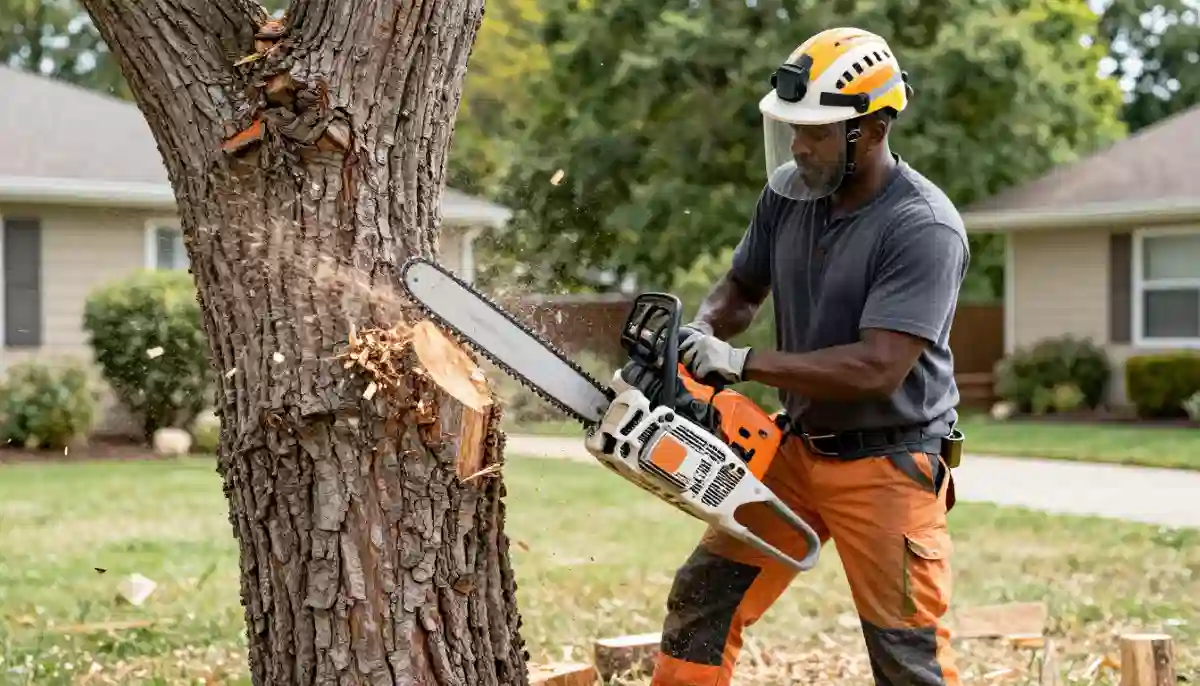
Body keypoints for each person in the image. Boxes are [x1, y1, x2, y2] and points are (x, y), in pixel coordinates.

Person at [648, 27, 969, 686]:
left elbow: (879, 366)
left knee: (907, 658)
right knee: (704, 600)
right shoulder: (789, 193)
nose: (799, 145)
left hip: (888, 464)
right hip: (796, 454)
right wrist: (696, 341)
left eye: (818, 132)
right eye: (793, 128)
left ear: (873, 130)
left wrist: (741, 364)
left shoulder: (921, 227)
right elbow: (740, 289)